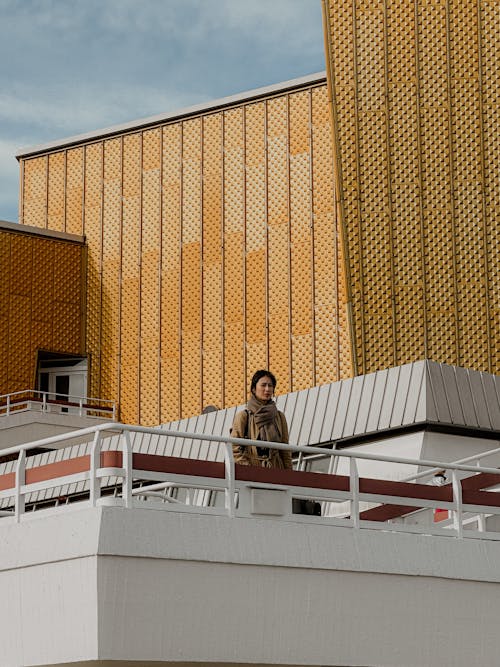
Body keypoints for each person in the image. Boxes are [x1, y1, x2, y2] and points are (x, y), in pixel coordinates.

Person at [230, 369, 292, 470]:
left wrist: (289, 475)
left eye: (270, 386)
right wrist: (247, 468)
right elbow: (235, 448)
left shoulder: (279, 417)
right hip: (252, 470)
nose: (267, 389)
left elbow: (285, 450)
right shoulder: (244, 416)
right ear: (254, 389)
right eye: (263, 385)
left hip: (276, 470)